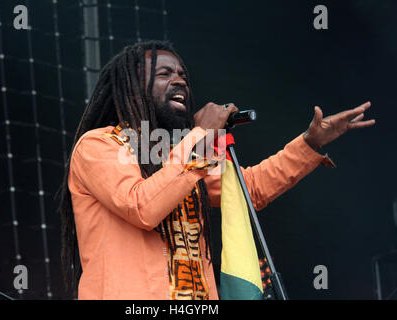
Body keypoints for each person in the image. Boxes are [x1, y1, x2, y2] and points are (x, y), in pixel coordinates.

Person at [57, 40, 375, 300]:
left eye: (182, 74)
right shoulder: (99, 145)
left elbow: (248, 189)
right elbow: (141, 206)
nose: (179, 80)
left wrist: (308, 143)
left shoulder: (181, 154)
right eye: (163, 73)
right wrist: (199, 138)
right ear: (131, 86)